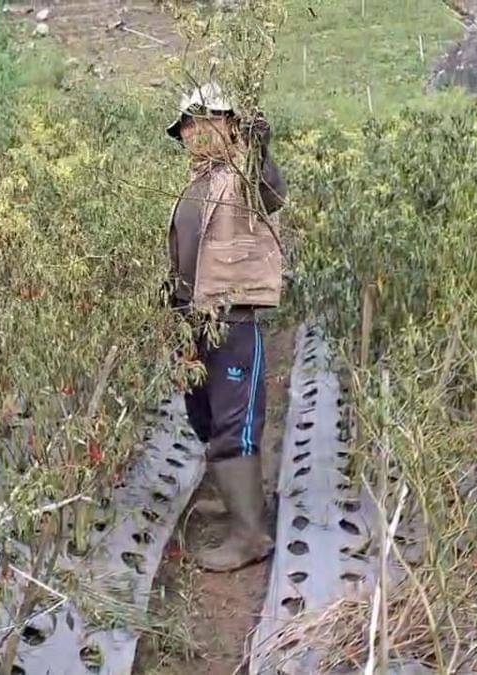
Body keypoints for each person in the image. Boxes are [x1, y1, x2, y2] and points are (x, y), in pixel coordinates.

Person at [165, 83, 287, 572]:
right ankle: (237, 502)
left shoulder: (241, 175)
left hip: (231, 317)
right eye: (187, 124)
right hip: (192, 320)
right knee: (205, 413)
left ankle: (249, 535)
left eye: (203, 120)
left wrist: (259, 146)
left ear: (230, 124)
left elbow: (270, 191)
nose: (194, 132)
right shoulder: (195, 181)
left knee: (234, 424)